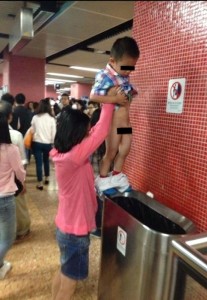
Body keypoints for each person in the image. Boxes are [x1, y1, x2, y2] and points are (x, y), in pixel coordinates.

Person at [50, 89, 116, 300]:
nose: (90, 134)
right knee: (69, 285)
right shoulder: (75, 156)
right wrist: (108, 102)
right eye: (86, 132)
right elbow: (102, 131)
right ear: (77, 134)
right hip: (74, 233)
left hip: (65, 227)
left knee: (63, 271)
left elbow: (96, 130)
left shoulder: (63, 152)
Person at [90, 36, 140, 195]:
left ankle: (117, 175)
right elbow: (93, 96)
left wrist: (129, 95)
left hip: (125, 123)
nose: (128, 71)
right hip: (113, 124)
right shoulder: (104, 75)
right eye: (125, 67)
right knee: (111, 152)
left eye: (132, 67)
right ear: (112, 60)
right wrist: (115, 99)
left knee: (125, 149)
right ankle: (103, 179)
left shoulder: (123, 75)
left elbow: (127, 94)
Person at [0, 97, 31, 242]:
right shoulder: (15, 136)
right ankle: (21, 230)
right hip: (12, 181)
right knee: (19, 206)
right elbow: (22, 162)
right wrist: (22, 181)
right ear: (10, 116)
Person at [0, 107, 26, 279]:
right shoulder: (10, 149)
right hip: (5, 198)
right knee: (8, 237)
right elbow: (19, 172)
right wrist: (22, 184)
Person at [31, 98, 56, 190]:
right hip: (47, 143)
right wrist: (52, 143)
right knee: (46, 161)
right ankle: (47, 178)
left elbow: (32, 130)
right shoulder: (52, 119)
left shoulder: (35, 117)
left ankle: (40, 183)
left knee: (38, 163)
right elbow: (54, 133)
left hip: (37, 142)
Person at [90, 108, 106, 238]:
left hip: (93, 177)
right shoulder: (110, 136)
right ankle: (98, 226)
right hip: (106, 178)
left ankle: (96, 227)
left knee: (96, 203)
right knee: (101, 203)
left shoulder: (90, 137)